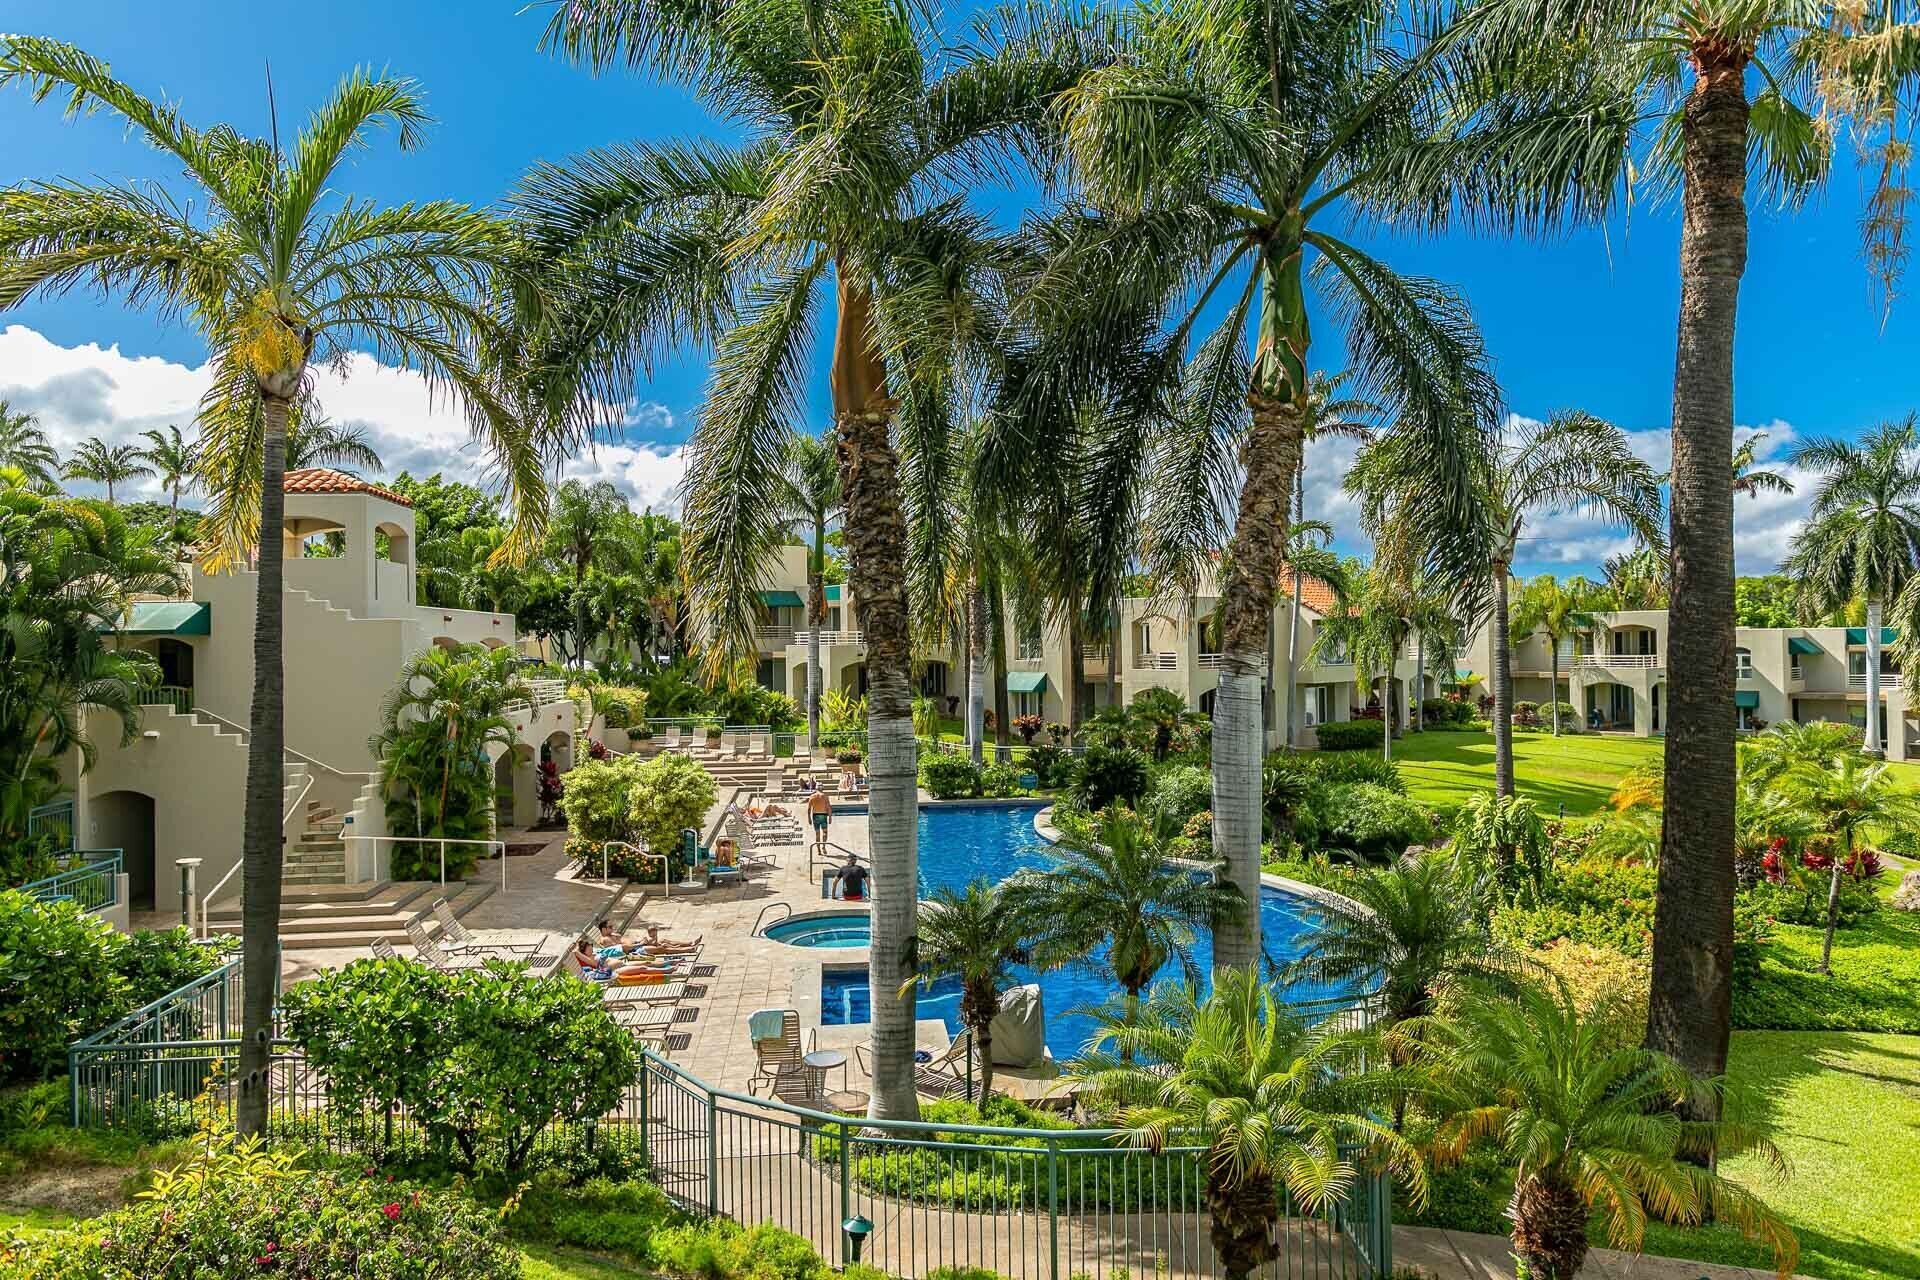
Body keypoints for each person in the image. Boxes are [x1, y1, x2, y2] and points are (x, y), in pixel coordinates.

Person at [806, 788, 833, 852]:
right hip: (823, 815)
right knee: (825, 832)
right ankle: (823, 846)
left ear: (816, 789)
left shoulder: (812, 796)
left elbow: (809, 809)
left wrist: (809, 818)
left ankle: (818, 849)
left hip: (815, 815)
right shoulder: (825, 796)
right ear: (822, 789)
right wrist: (830, 817)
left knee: (817, 833)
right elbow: (829, 807)